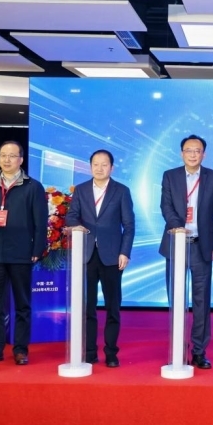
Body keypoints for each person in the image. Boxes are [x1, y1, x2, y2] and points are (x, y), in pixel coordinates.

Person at [0, 141, 47, 365]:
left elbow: (40, 220)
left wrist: (37, 248)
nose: (7, 160)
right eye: (3, 155)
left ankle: (21, 350)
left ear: (21, 160)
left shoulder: (33, 187)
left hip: (22, 253)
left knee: (22, 305)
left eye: (12, 156)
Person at [159, 135, 213, 369]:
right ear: (181, 153)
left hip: (201, 246)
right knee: (176, 299)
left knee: (201, 301)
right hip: (176, 245)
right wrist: (177, 226)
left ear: (203, 154)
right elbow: (165, 206)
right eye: (189, 150)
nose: (193, 154)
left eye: (197, 151)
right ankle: (178, 348)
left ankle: (199, 351)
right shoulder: (170, 176)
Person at [65, 149, 135, 368]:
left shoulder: (121, 191)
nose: (99, 168)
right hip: (86, 255)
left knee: (113, 306)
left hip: (112, 256)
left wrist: (125, 252)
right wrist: (77, 227)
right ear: (90, 166)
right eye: (95, 164)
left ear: (112, 168)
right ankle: (90, 352)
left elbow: (129, 225)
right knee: (88, 307)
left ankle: (111, 352)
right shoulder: (81, 190)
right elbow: (71, 216)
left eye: (104, 164)